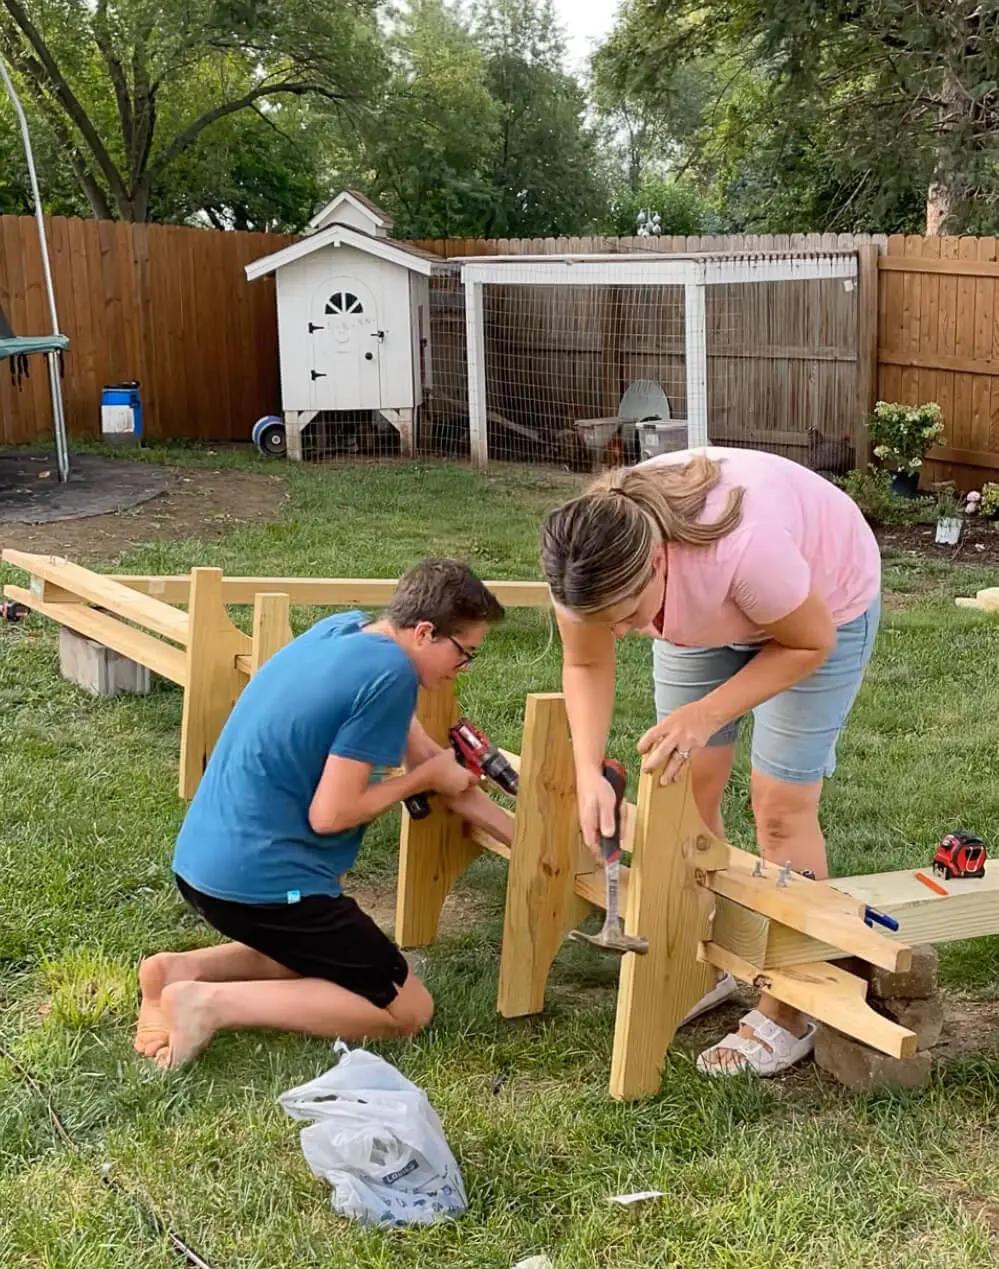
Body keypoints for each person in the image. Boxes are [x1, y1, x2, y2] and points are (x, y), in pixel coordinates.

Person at [539, 446, 882, 1078]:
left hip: (820, 607)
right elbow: (586, 661)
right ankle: (717, 957)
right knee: (688, 788)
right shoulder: (583, 564)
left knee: (780, 807)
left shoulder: (745, 549)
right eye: (603, 621)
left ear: (659, 561)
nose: (618, 634)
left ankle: (790, 1006)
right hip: (707, 611)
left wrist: (704, 715)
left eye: (626, 618)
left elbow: (808, 641)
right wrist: (588, 770)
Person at [135, 559, 512, 1070]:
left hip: (203, 866)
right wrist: (425, 780)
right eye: (465, 653)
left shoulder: (344, 631)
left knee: (311, 957)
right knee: (409, 1011)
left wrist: (457, 784)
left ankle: (172, 972)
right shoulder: (393, 676)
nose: (462, 668)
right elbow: (331, 815)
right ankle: (207, 1003)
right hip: (265, 887)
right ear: (425, 633)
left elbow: (408, 739)